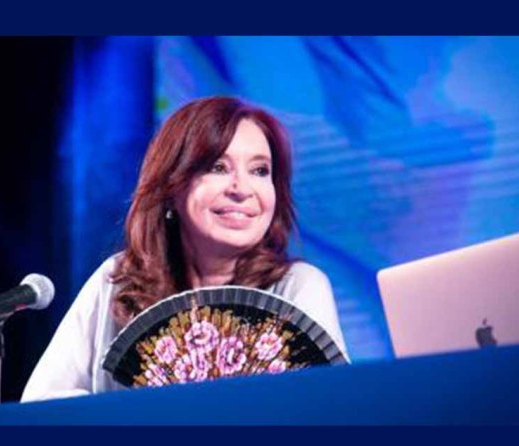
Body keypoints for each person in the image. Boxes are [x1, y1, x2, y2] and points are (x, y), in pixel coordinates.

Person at [21, 96, 349, 402]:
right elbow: (42, 407)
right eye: (218, 167)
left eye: (260, 171)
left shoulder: (297, 287)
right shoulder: (118, 282)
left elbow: (332, 410)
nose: (242, 189)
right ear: (171, 187)